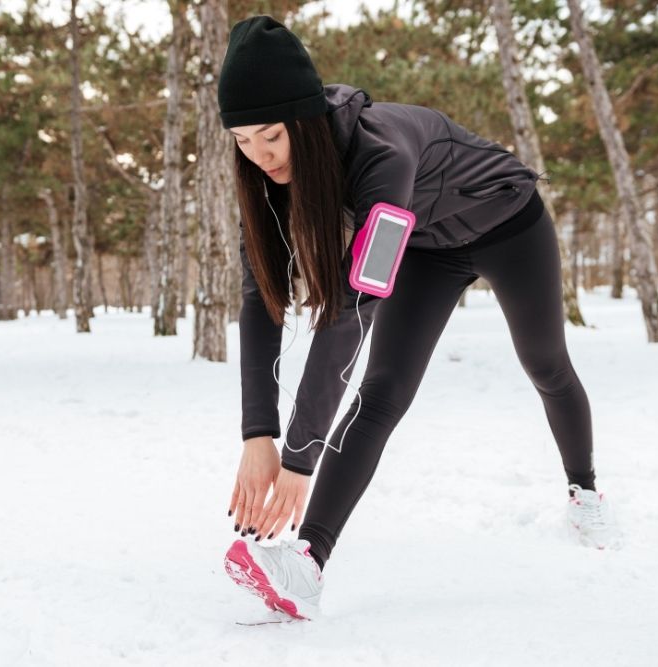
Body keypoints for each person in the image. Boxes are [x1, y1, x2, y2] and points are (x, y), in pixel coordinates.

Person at [218, 15, 622, 621]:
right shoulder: (272, 178)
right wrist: (258, 433)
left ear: (303, 117)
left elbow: (352, 311)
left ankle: (585, 489)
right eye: (244, 142)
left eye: (271, 136)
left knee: (545, 363)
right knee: (383, 392)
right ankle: (307, 562)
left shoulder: (383, 154)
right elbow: (260, 301)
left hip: (508, 225)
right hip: (427, 249)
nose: (260, 156)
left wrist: (300, 457)